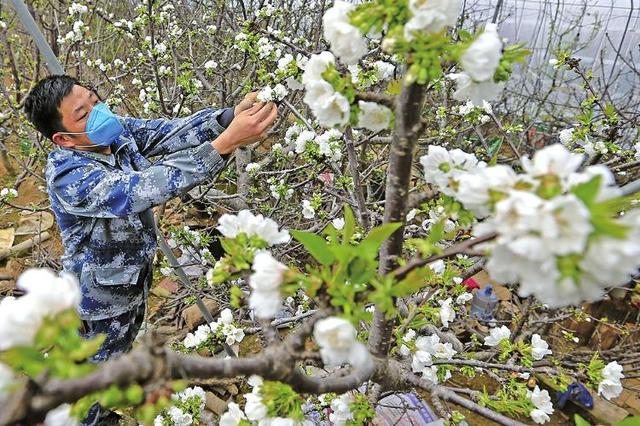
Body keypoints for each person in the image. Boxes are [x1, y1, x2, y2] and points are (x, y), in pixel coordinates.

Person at [23, 74, 277, 424]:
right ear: (63, 138)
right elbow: (140, 188)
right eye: (83, 113)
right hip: (98, 302)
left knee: (113, 359)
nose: (98, 112)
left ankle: (95, 413)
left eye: (95, 100)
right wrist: (223, 145)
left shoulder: (113, 134)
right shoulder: (70, 175)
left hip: (130, 284)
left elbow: (167, 132)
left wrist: (226, 117)